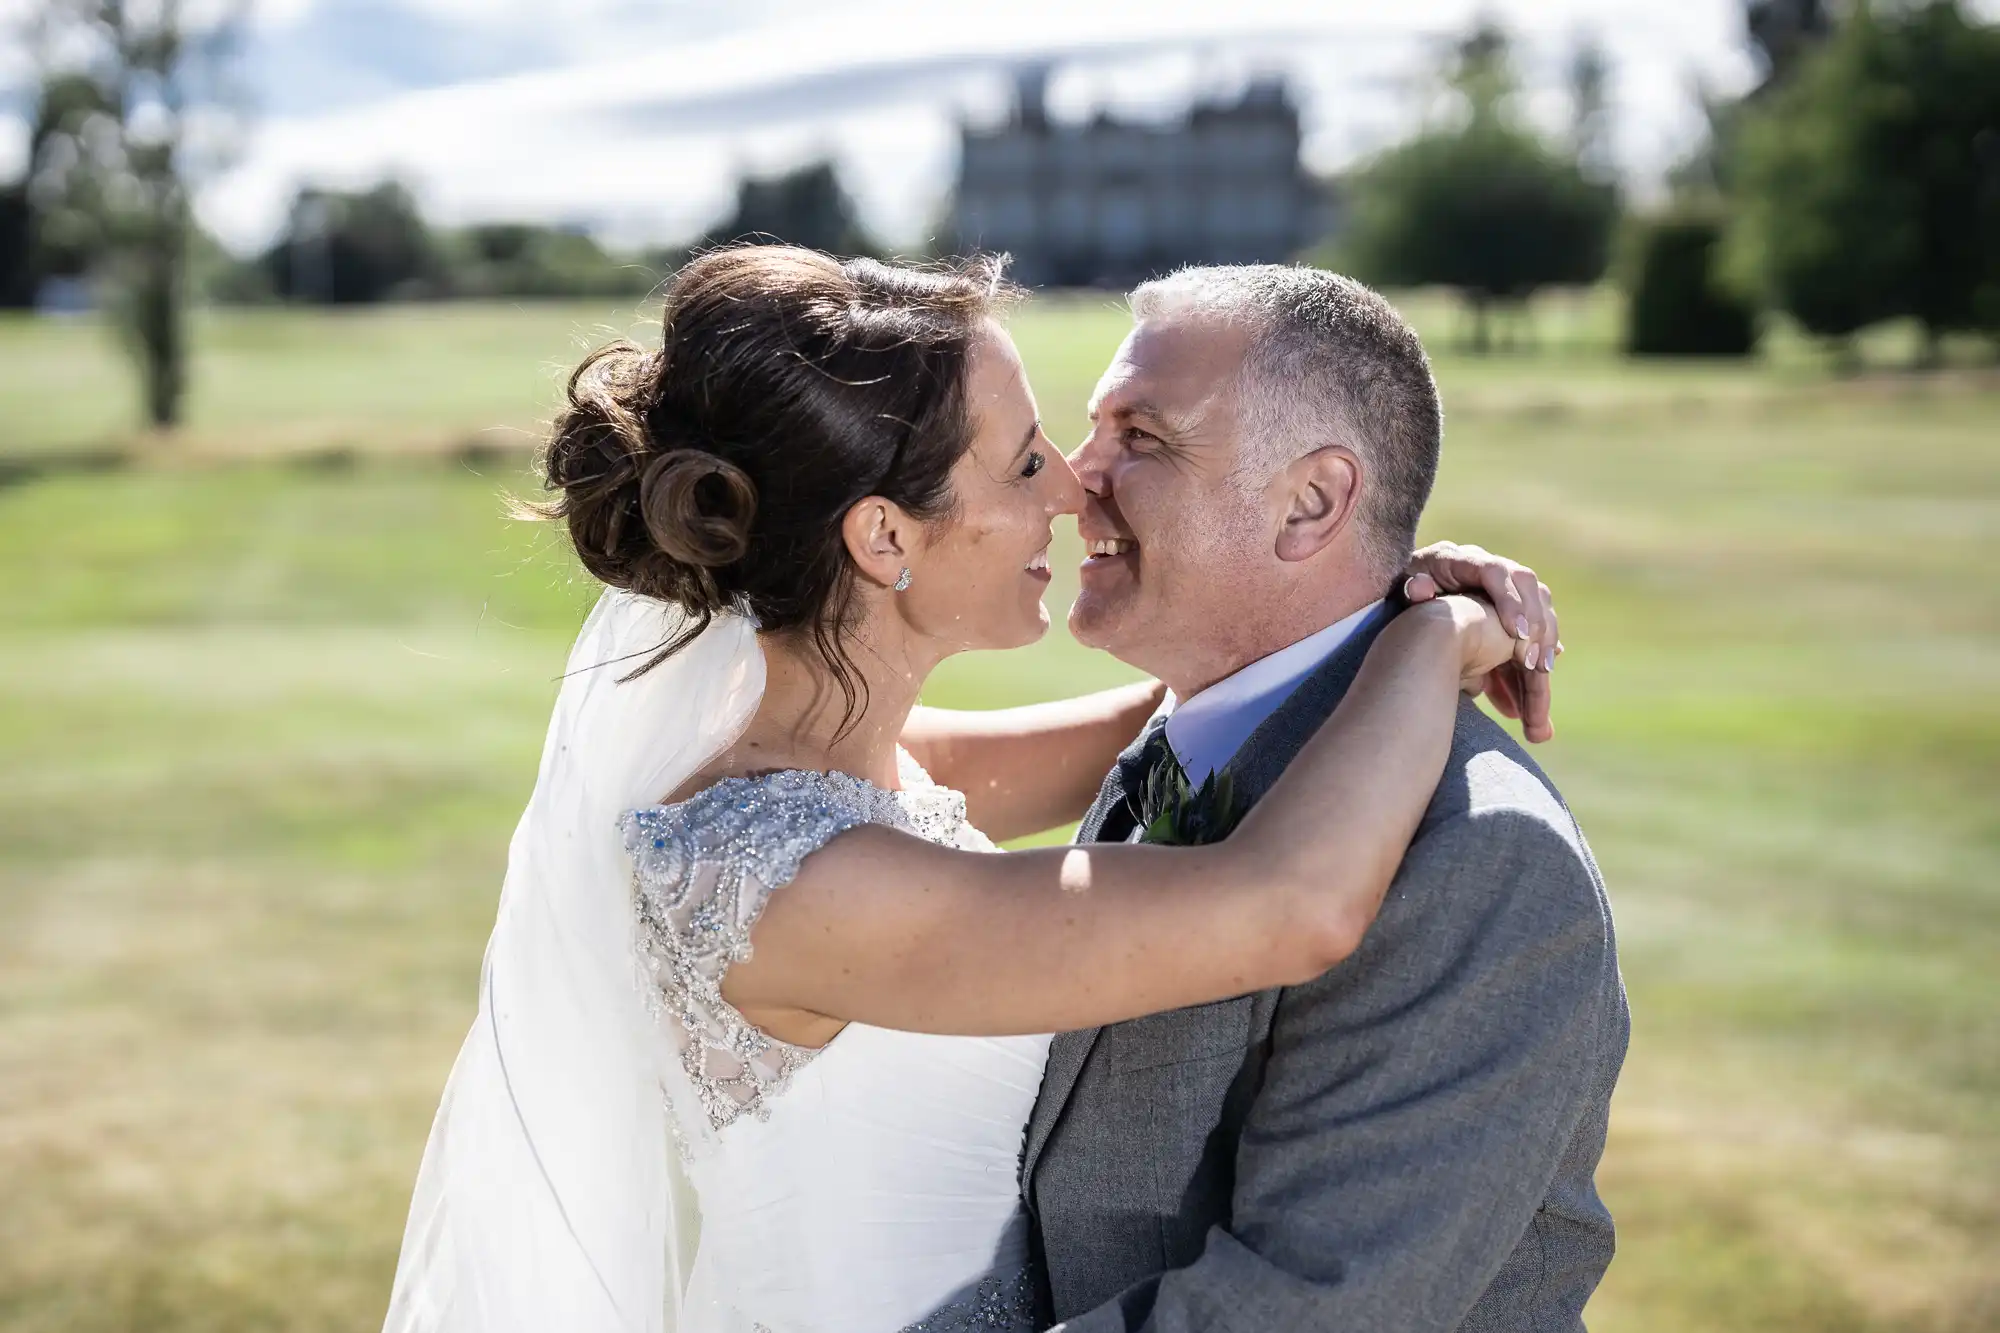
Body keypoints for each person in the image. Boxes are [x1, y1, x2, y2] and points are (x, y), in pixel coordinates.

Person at [381, 246, 1556, 1333]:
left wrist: (1365, 604)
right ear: (886, 538)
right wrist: (1430, 638)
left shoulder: (843, 772)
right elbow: (1290, 904)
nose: (1068, 491)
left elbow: (1188, 722)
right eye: (1024, 459)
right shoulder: (787, 881)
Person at [1023, 265, 1628, 1332]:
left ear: (1308, 503)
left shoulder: (1476, 853)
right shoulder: (1184, 738)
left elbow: (1301, 1310)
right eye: (1091, 430)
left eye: (1141, 436)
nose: (1074, 480)